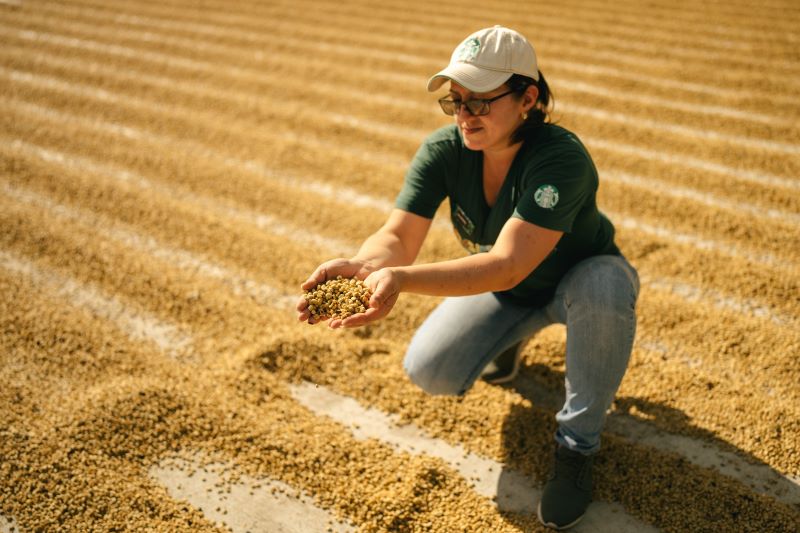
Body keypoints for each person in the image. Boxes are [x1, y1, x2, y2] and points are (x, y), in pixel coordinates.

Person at [296, 25, 639, 530]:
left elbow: (507, 262)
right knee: (429, 369)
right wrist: (368, 267)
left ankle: (577, 448)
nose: (464, 115)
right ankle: (508, 344)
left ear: (528, 98)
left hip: (576, 281)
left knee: (605, 290)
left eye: (480, 102)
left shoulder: (560, 158)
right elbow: (397, 235)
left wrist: (401, 280)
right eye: (456, 101)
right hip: (508, 293)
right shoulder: (444, 150)